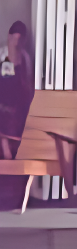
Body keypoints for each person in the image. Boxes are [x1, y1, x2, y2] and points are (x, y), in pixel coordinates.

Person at [0, 21, 34, 159]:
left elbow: (29, 81)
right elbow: (6, 83)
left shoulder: (26, 58)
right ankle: (5, 146)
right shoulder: (3, 56)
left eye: (19, 40)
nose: (16, 43)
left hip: (19, 101)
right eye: (14, 38)